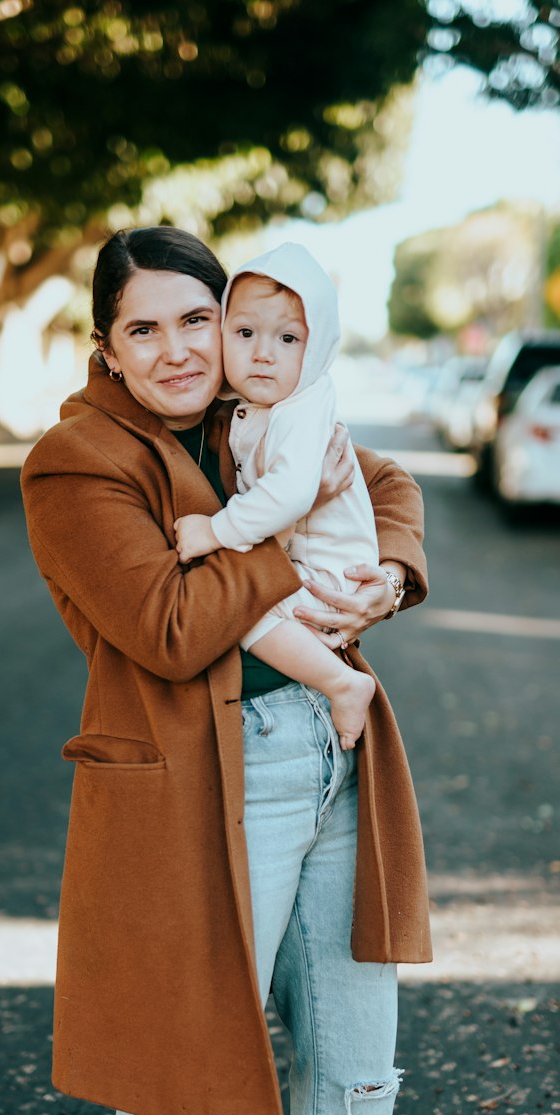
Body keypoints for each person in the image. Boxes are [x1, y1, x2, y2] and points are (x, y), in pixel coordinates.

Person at [20, 226, 463, 1115]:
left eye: (196, 319)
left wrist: (389, 571)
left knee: (357, 1044)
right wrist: (290, 564)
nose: (178, 348)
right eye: (144, 327)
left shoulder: (257, 406)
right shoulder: (77, 461)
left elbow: (384, 484)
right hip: (207, 779)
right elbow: (167, 620)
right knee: (191, 1046)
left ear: (234, 319)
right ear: (108, 348)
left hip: (335, 753)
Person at [173, 243, 379, 750]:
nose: (262, 354)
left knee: (241, 609)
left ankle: (343, 683)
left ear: (318, 348)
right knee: (240, 597)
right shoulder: (256, 402)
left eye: (288, 338)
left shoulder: (302, 408)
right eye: (244, 334)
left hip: (329, 574)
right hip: (306, 562)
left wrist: (212, 531)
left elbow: (289, 495)